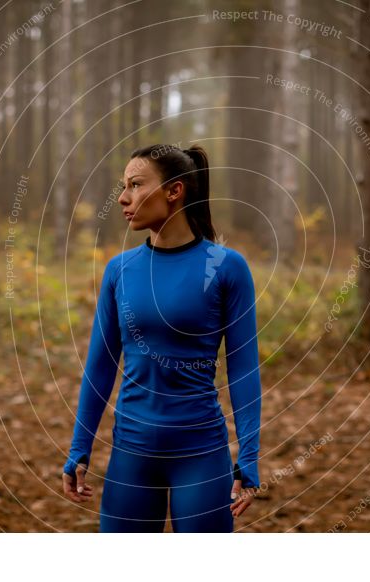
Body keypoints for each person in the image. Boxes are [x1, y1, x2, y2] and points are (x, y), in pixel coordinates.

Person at [61, 143, 262, 532]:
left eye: (135, 185)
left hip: (201, 452)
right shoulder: (119, 270)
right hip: (131, 453)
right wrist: (79, 447)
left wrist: (249, 457)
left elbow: (243, 368)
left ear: (175, 190)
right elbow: (100, 366)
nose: (123, 197)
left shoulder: (226, 267)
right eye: (123, 187)